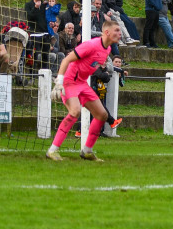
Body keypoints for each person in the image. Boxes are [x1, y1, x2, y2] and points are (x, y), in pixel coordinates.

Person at [45, 18, 121, 162]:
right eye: (117, 30)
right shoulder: (91, 45)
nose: (120, 34)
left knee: (102, 114)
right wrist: (59, 82)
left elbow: (90, 65)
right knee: (75, 111)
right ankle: (52, 150)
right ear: (107, 32)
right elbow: (66, 60)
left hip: (81, 83)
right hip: (69, 81)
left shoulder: (108, 49)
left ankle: (87, 151)